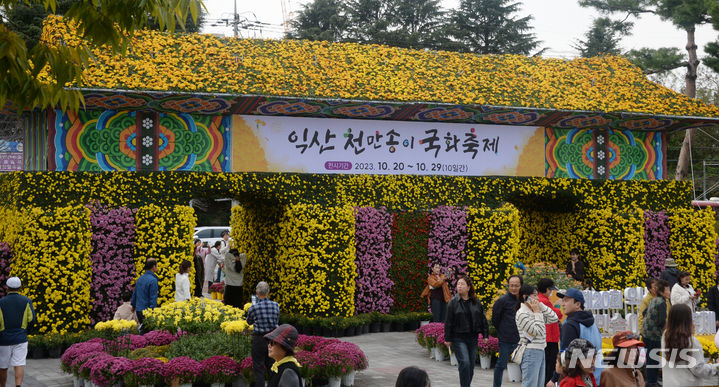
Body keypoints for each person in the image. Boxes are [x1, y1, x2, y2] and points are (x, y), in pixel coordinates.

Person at [549, 288, 603, 387]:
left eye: (566, 300)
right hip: (595, 377)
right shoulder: (593, 324)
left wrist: (554, 379)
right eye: (563, 300)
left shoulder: (570, 325)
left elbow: (565, 354)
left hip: (576, 380)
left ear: (578, 304)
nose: (563, 304)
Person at [444, 275, 488, 387]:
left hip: (473, 337)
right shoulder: (453, 302)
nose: (459, 286)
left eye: (462, 284)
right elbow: (448, 322)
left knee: (471, 366)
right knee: (465, 362)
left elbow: (482, 319)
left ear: (468, 287)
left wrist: (485, 335)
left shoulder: (476, 302)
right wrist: (447, 338)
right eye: (458, 284)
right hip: (458, 338)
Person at [662, 303, 718, 386]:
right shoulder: (691, 341)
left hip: (669, 383)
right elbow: (698, 369)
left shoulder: (665, 336)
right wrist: (716, 366)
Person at [515, 284, 559, 387]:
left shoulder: (534, 311)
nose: (537, 298)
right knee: (530, 384)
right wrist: (537, 313)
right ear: (525, 297)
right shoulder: (522, 313)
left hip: (540, 350)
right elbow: (537, 331)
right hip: (530, 351)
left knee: (539, 384)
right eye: (534, 296)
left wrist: (540, 306)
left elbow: (554, 318)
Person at [0, 277, 35, 387]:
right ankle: (18, 385)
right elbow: (31, 319)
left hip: (3, 339)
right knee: (19, 364)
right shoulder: (26, 301)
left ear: (7, 288)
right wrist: (26, 331)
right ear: (20, 287)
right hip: (20, 338)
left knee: (3, 366)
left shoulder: (1, 302)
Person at [246, 281, 280, 387]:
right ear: (268, 292)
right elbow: (277, 320)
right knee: (272, 366)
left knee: (258, 368)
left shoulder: (253, 308)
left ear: (257, 292)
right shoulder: (276, 305)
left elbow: (249, 322)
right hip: (272, 339)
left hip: (259, 339)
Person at [493, 274, 522, 387]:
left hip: (521, 340)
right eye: (511, 285)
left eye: (517, 286)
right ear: (508, 286)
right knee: (501, 365)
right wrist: (503, 330)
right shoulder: (502, 301)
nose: (514, 288)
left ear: (521, 286)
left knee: (524, 366)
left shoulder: (524, 300)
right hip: (506, 339)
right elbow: (495, 320)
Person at [640, 279, 670, 387]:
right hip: (653, 335)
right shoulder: (662, 302)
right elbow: (662, 321)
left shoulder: (654, 299)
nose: (669, 292)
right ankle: (652, 382)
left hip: (646, 333)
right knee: (653, 359)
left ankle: (651, 380)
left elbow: (644, 312)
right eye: (667, 290)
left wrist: (649, 321)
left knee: (650, 358)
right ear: (662, 292)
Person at [537, 278, 563, 386]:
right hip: (549, 339)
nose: (552, 292)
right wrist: (557, 305)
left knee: (547, 367)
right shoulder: (544, 301)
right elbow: (557, 315)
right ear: (547, 289)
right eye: (551, 290)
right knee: (550, 368)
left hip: (547, 338)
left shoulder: (540, 299)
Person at [131, 259, 159, 331]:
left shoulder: (140, 278)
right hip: (147, 311)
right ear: (153, 266)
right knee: (148, 332)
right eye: (157, 265)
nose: (157, 267)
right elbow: (153, 298)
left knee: (143, 330)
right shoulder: (153, 280)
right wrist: (152, 312)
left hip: (139, 309)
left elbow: (135, 293)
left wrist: (133, 306)